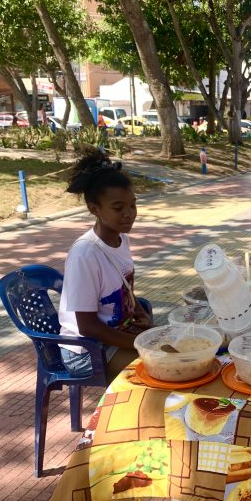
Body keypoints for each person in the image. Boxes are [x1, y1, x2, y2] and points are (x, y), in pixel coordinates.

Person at [58, 150, 153, 381]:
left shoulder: (121, 239)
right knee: (158, 371)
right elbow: (87, 326)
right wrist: (138, 343)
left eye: (133, 205)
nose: (129, 214)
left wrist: (142, 316)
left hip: (118, 333)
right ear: (94, 209)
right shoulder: (85, 254)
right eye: (118, 208)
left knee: (180, 353)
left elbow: (126, 288)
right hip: (85, 350)